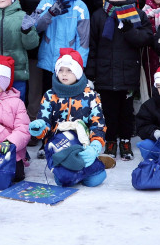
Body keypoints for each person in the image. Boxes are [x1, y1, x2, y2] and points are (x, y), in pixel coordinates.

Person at [88, 0, 152, 160]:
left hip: (128, 72)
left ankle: (125, 140)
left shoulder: (137, 15)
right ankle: (109, 140)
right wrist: (91, 73)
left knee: (126, 110)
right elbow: (93, 45)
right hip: (104, 73)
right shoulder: (99, 15)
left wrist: (130, 28)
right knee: (107, 109)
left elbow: (145, 39)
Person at [29, 48, 111, 186]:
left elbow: (98, 124)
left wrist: (95, 146)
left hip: (82, 144)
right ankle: (68, 172)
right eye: (61, 70)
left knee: (95, 179)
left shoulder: (91, 95)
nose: (64, 74)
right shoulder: (50, 95)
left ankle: (85, 168)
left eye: (69, 70)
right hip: (59, 145)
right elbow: (45, 122)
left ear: (78, 72)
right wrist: (39, 128)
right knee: (64, 180)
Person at [33, 0, 90, 94]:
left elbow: (84, 39)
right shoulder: (45, 2)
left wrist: (80, 63)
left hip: (70, 64)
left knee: (68, 97)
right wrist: (49, 14)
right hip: (48, 59)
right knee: (48, 95)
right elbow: (36, 28)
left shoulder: (80, 7)